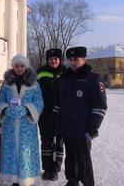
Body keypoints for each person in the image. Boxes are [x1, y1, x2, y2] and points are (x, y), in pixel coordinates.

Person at [58, 46, 107, 186]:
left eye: (76, 59)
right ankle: (72, 181)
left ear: (84, 59)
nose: (73, 62)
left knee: (84, 161)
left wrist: (93, 127)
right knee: (70, 159)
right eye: (71, 59)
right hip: (67, 127)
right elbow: (60, 103)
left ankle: (88, 183)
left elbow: (100, 105)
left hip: (83, 128)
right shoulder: (65, 78)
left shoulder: (93, 78)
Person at [0, 54, 44, 186]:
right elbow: (0, 101)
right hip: (10, 125)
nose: (19, 68)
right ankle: (13, 180)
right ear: (13, 67)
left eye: (22, 66)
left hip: (26, 126)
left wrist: (27, 109)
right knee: (11, 152)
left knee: (26, 153)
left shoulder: (34, 84)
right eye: (17, 66)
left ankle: (26, 180)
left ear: (26, 67)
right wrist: (6, 109)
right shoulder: (6, 84)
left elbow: (39, 102)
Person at [37, 48, 65, 181]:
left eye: (56, 59)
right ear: (47, 60)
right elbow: (34, 90)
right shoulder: (41, 72)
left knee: (58, 142)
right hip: (44, 113)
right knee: (46, 141)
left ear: (60, 60)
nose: (53, 61)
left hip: (61, 113)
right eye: (51, 59)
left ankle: (55, 169)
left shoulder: (65, 72)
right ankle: (47, 168)